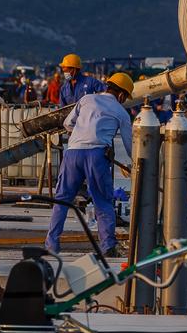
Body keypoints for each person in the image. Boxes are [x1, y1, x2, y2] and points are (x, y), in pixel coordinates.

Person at [45, 72, 134, 255]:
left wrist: (80, 136)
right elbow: (130, 145)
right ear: (122, 95)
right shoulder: (121, 112)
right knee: (103, 201)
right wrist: (135, 165)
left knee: (62, 200)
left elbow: (67, 124)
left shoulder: (86, 99)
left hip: (73, 153)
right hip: (97, 155)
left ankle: (51, 245)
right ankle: (108, 246)